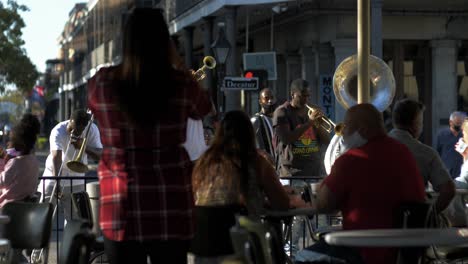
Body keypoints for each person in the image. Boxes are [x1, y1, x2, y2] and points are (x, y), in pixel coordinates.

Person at [87, 8, 212, 264]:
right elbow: (204, 108)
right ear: (165, 41)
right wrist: (176, 61)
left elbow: (96, 109)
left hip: (120, 205)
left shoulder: (102, 83)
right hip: (171, 203)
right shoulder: (182, 84)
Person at [296, 104, 425, 264]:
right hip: (403, 253)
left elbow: (324, 205)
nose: (343, 132)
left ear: (362, 129)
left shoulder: (351, 159)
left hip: (363, 251)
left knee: (302, 257)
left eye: (347, 127)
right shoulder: (404, 152)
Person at [191, 110, 306, 262]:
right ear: (250, 134)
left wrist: (258, 199)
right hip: (241, 248)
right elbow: (282, 204)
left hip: (204, 248)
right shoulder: (256, 162)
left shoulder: (204, 162)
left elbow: (222, 198)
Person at [389, 99, 455, 213]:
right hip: (413, 223)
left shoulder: (376, 147)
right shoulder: (426, 153)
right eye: (421, 122)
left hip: (378, 223)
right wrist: (430, 214)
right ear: (416, 123)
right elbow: (448, 190)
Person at [38, 109, 102, 222]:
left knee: (74, 220)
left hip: (76, 177)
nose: (72, 133)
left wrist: (84, 146)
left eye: (77, 131)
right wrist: (57, 180)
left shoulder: (92, 129)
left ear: (84, 127)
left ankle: (69, 239)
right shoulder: (58, 130)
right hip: (53, 175)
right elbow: (56, 157)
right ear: (69, 121)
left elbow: (100, 156)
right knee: (43, 216)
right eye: (71, 129)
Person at [273, 79, 330, 178]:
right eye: (302, 96)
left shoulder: (314, 110)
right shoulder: (282, 112)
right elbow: (286, 139)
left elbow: (327, 141)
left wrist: (320, 125)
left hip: (314, 171)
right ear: (292, 94)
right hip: (292, 173)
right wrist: (310, 123)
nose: (306, 99)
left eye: (308, 96)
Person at [0, 114, 41, 207]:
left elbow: (2, 182)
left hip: (8, 208)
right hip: (25, 209)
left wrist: (2, 162)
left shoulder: (15, 163)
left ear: (17, 143)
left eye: (10, 141)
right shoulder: (34, 161)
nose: (7, 143)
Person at [437, 111, 467, 179]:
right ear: (451, 122)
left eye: (461, 123)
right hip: (446, 170)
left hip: (461, 170)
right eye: (457, 123)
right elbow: (438, 151)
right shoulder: (442, 134)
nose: (459, 125)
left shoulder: (465, 135)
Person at [251, 88, 277, 159]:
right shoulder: (256, 120)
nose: (270, 101)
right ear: (260, 101)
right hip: (264, 164)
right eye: (266, 98)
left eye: (272, 98)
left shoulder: (279, 118)